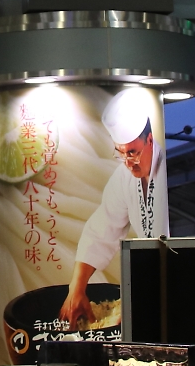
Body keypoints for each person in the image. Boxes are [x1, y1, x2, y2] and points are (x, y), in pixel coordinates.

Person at [61, 88, 163, 328]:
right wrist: (76, 288)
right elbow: (101, 230)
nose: (128, 162)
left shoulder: (166, 168)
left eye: (133, 153)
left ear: (149, 141)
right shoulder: (123, 178)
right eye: (121, 153)